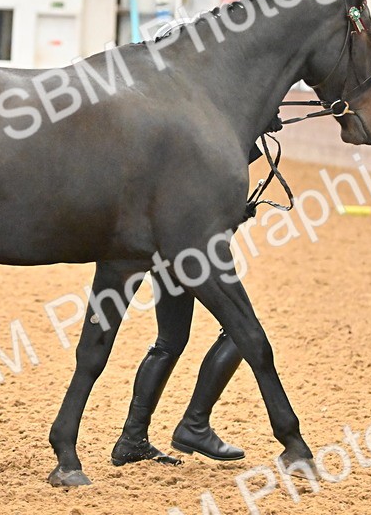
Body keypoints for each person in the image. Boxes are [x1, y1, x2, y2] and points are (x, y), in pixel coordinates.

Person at [110, 115, 285, 467]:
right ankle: (194, 423)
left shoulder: (185, 133)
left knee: (170, 341)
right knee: (240, 332)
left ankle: (132, 438)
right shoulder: (215, 143)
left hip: (165, 246)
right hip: (192, 250)